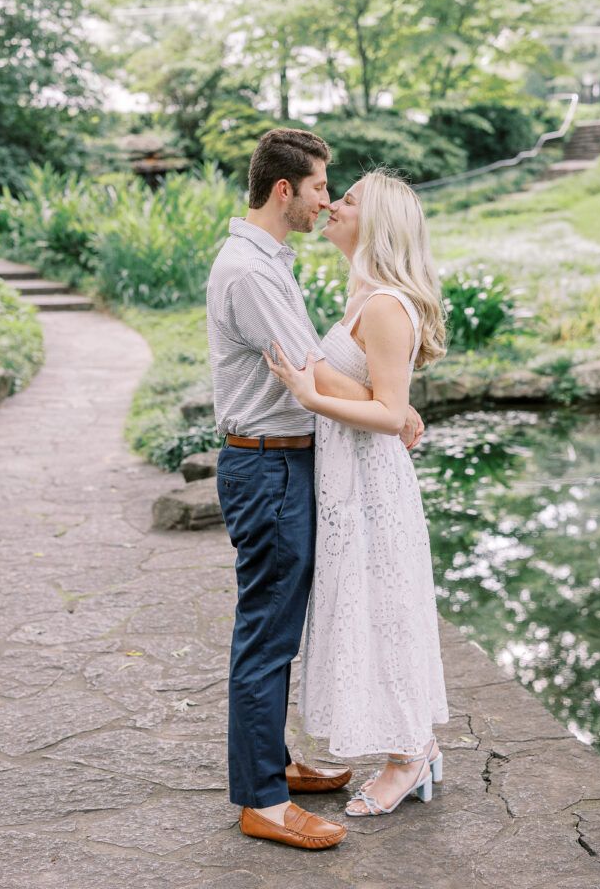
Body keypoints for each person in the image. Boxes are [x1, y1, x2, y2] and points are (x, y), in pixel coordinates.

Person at [206, 131, 423, 849]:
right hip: (267, 463)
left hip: (288, 460)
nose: (327, 200)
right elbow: (309, 371)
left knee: (281, 627)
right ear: (284, 191)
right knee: (267, 633)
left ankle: (273, 764)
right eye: (322, 188)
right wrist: (391, 406)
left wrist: (388, 402)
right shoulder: (251, 271)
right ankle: (262, 801)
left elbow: (323, 373)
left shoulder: (270, 261)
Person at [263, 169, 450, 818]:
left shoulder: (384, 305)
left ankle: (410, 756)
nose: (332, 205)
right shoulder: (360, 294)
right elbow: (379, 397)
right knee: (355, 608)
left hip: (372, 485)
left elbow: (390, 413)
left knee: (384, 611)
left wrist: (307, 392)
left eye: (346, 201)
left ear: (378, 226)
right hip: (346, 480)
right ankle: (384, 742)